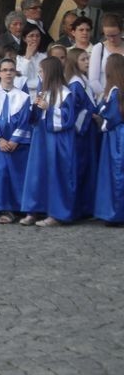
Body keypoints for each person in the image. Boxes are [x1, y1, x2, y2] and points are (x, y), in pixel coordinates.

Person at [20, 57, 77, 226]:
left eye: (41, 71)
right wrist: (36, 108)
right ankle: (33, 211)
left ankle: (56, 214)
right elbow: (35, 118)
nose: (39, 75)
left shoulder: (65, 93)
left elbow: (68, 119)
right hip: (41, 136)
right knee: (36, 173)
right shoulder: (43, 91)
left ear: (50, 72)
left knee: (55, 174)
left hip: (57, 139)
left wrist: (49, 108)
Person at [0, 57, 32, 224]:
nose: (8, 73)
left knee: (14, 175)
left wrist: (15, 140)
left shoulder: (23, 97)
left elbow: (25, 121)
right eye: (5, 70)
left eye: (11, 70)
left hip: (17, 146)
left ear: (15, 72)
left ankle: (9, 210)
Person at [65, 47, 100, 219]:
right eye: (83, 59)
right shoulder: (75, 83)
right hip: (81, 133)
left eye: (88, 59)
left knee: (88, 168)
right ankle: (76, 207)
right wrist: (91, 114)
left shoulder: (84, 81)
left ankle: (87, 207)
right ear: (74, 62)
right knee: (79, 167)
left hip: (89, 132)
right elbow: (75, 110)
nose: (87, 62)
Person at [93, 54, 124, 225]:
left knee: (116, 174)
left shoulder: (115, 91)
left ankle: (115, 214)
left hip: (116, 136)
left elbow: (112, 116)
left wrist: (100, 119)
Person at [89, 13, 124, 95]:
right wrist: (106, 96)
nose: (111, 39)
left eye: (114, 35)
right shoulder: (98, 48)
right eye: (108, 36)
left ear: (122, 31)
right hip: (105, 97)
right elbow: (93, 80)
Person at [16, 23, 47, 93]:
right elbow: (20, 78)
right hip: (24, 93)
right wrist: (27, 57)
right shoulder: (18, 58)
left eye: (37, 36)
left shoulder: (45, 57)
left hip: (42, 93)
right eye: (31, 36)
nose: (35, 38)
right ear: (24, 38)